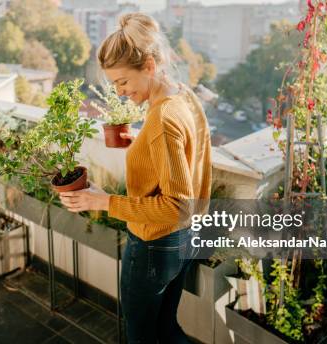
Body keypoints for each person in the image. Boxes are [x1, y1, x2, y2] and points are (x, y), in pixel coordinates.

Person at [59, 12, 212, 344]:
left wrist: (101, 201)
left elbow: (176, 206)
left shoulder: (162, 121)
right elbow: (187, 149)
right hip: (185, 241)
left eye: (123, 82)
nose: (120, 92)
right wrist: (141, 143)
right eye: (114, 85)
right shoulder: (182, 95)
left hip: (154, 245)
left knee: (142, 335)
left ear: (150, 67)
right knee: (166, 329)